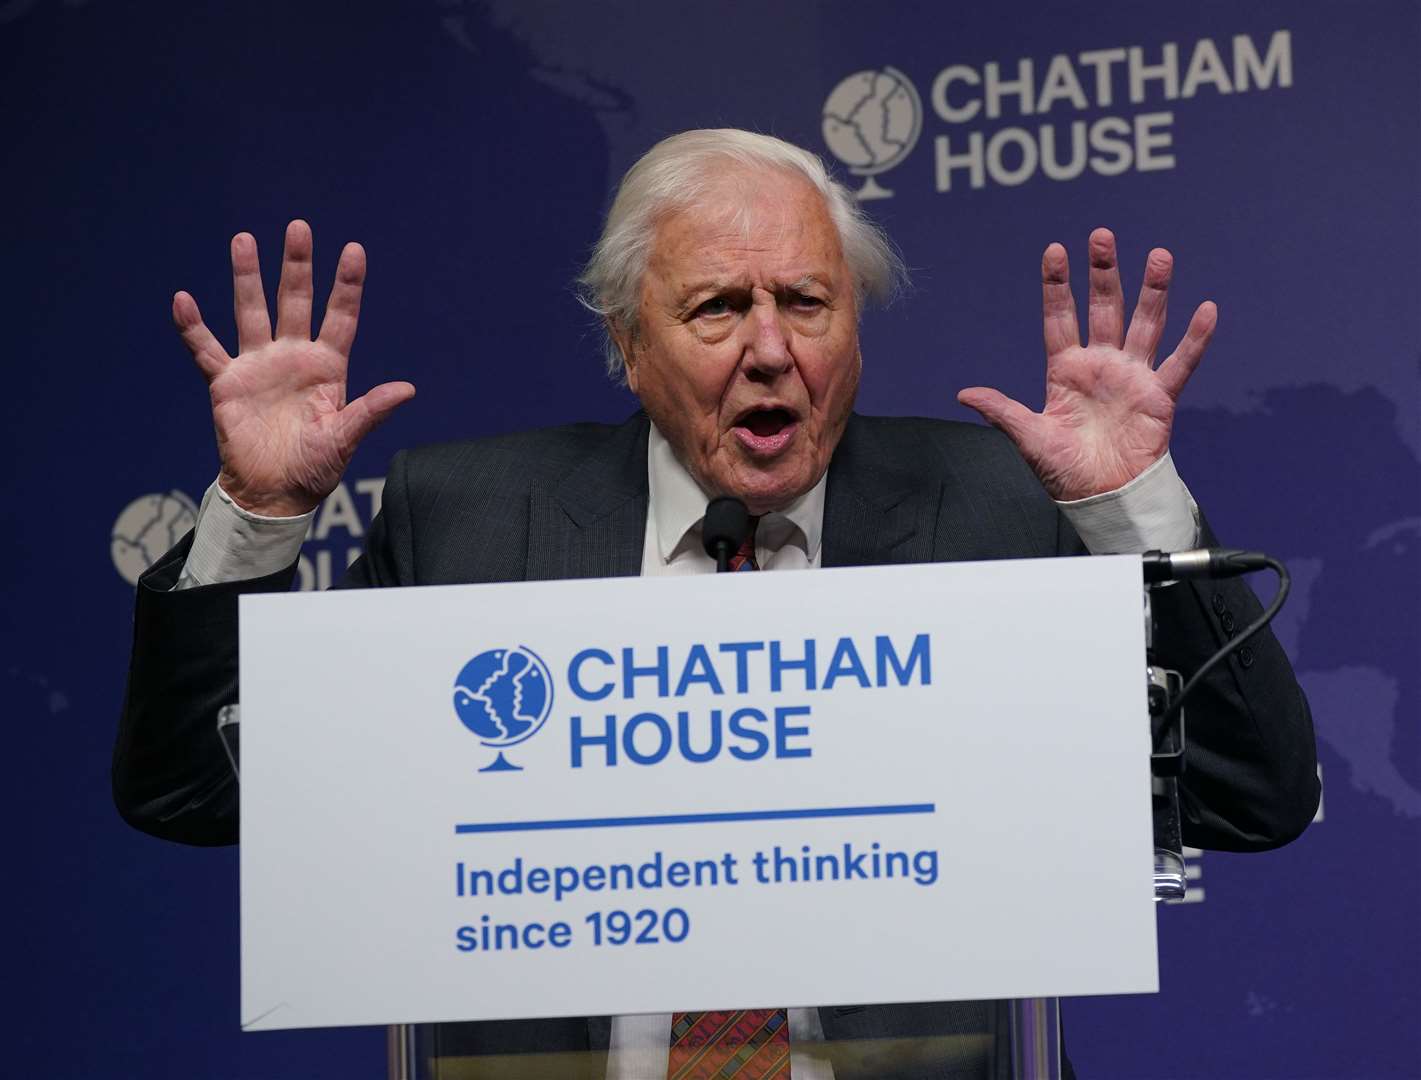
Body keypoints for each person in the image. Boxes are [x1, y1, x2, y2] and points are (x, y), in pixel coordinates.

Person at [114, 129, 1318, 1080]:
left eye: (806, 302)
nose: (768, 350)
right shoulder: (465, 518)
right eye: (714, 309)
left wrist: (1130, 510)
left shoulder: (997, 508)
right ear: (628, 344)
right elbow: (194, 792)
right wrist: (256, 516)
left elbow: (1251, 798)